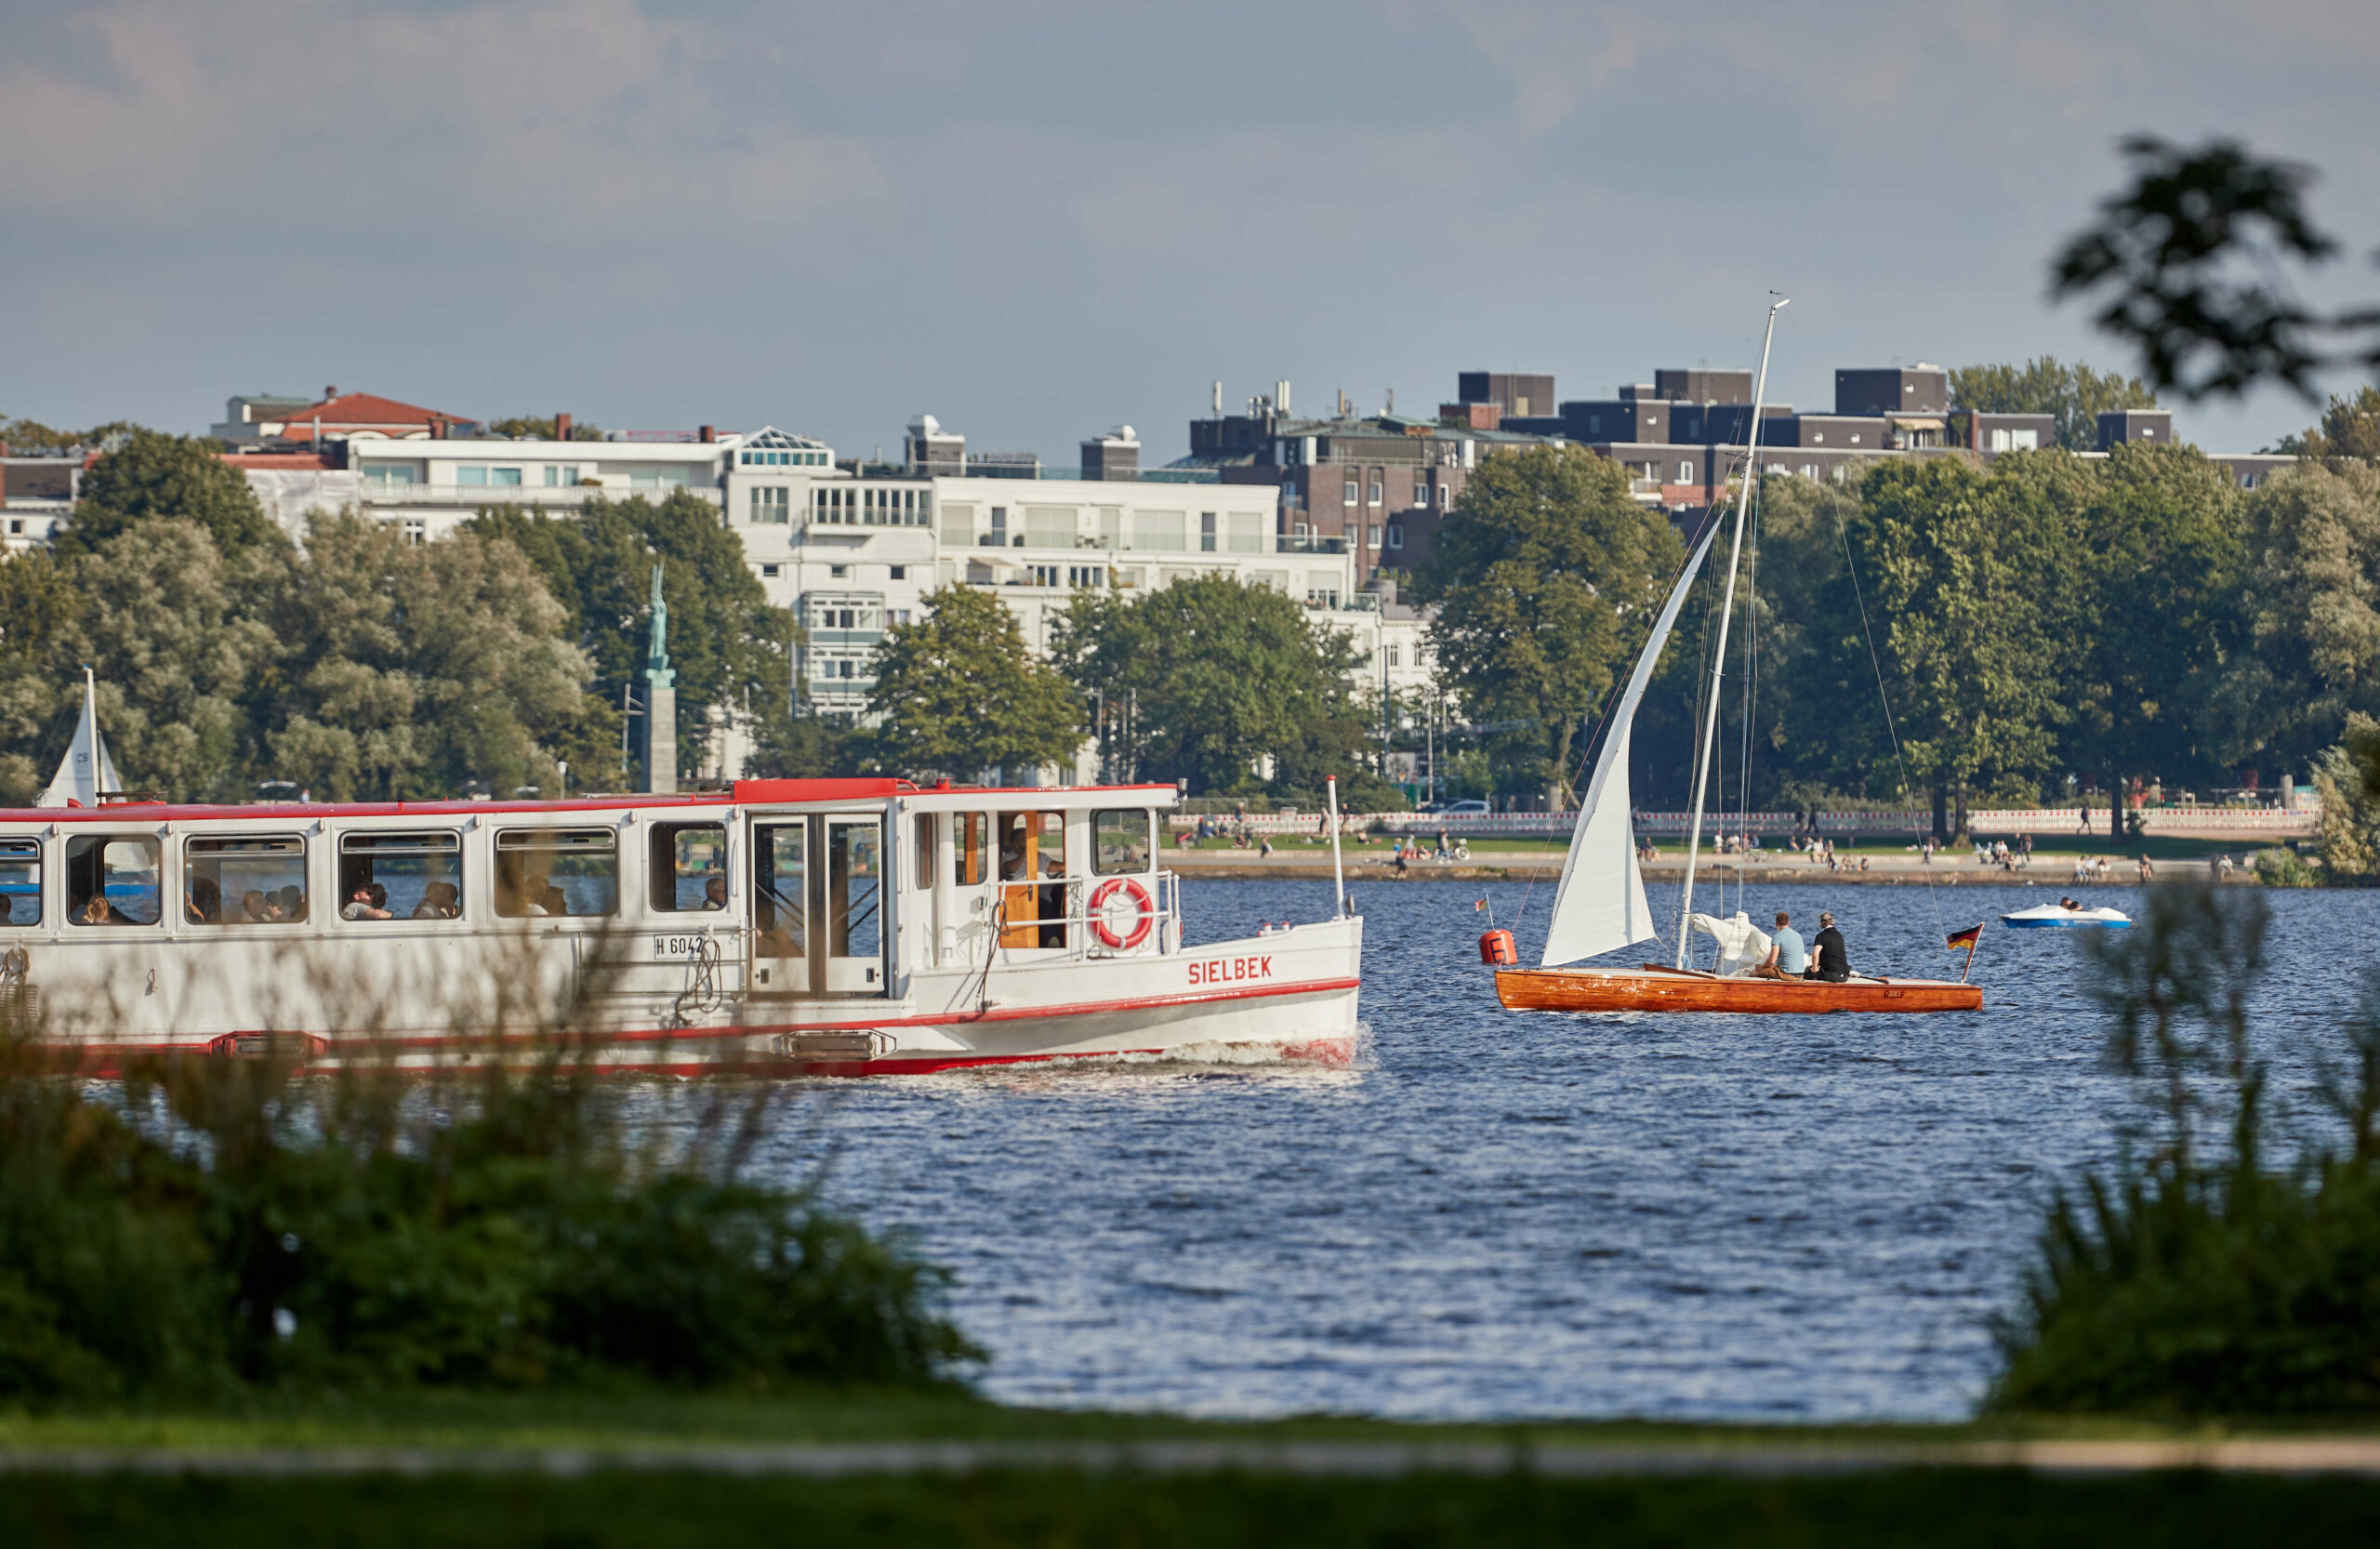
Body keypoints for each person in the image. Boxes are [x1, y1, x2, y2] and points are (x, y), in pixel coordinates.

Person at [1755, 911, 1806, 980]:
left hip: (1787, 974)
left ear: (1776, 924)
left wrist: (1761, 968)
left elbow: (1772, 961)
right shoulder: (1798, 935)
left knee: (1754, 973)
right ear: (1788, 923)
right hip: (1800, 974)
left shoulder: (1778, 937)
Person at [1805, 911, 1850, 983]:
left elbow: (1815, 954)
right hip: (1844, 975)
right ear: (1832, 921)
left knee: (1807, 974)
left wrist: (1814, 969)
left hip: (1831, 975)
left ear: (1821, 923)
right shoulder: (1840, 935)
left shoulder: (1821, 936)